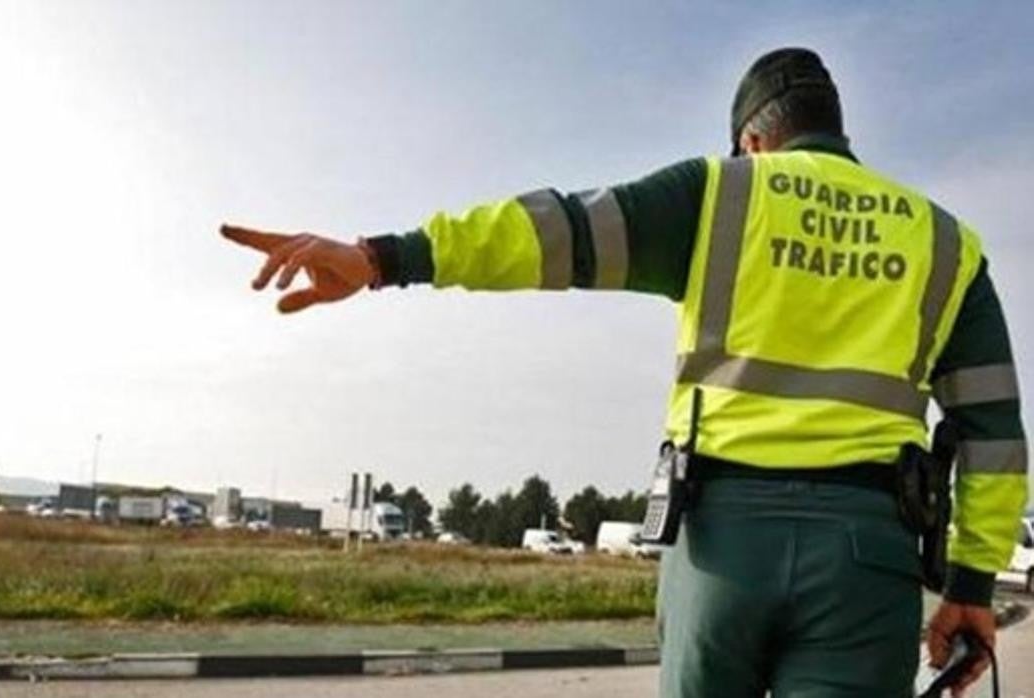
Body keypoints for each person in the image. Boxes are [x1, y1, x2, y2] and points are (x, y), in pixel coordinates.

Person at [222, 47, 1027, 697]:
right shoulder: (945, 243)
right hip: (868, 555)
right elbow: (993, 435)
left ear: (752, 140)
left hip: (721, 545)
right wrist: (970, 587)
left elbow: (550, 233)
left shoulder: (719, 195)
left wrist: (382, 259)